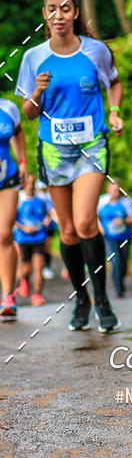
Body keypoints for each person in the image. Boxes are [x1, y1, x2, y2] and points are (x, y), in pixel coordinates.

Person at [16, 0, 125, 333]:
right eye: (52, 9)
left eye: (65, 8)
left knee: (85, 223)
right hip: (54, 150)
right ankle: (81, 300)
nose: (59, 15)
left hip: (91, 146)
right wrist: (36, 92)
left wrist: (115, 111)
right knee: (66, 230)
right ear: (44, 15)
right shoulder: (34, 57)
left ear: (75, 12)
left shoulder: (95, 51)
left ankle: (102, 300)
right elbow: (28, 113)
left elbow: (115, 82)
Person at [0, 98, 27, 320]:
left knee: (4, 234)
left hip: (6, 177)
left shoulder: (8, 107)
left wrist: (23, 162)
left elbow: (18, 132)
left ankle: (8, 296)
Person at [97, 177, 132, 298]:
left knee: (123, 263)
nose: (115, 192)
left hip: (125, 236)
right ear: (108, 189)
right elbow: (95, 215)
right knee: (115, 261)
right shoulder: (102, 200)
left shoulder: (126, 201)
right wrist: (100, 227)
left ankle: (121, 281)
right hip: (108, 237)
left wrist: (123, 220)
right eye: (113, 190)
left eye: (117, 190)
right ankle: (119, 290)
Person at [14, 174, 48, 306]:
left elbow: (49, 213)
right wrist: (23, 227)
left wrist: (49, 219)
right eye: (28, 182)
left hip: (39, 237)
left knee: (38, 267)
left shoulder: (42, 198)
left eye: (32, 182)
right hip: (22, 238)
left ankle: (37, 294)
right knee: (25, 269)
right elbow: (11, 218)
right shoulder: (19, 198)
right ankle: (24, 279)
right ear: (24, 184)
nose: (30, 185)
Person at [36, 179, 58, 279]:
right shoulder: (37, 197)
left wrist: (49, 218)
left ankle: (46, 267)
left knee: (47, 247)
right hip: (38, 227)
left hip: (49, 226)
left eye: (44, 189)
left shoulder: (50, 197)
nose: (43, 191)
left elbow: (52, 211)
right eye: (41, 189)